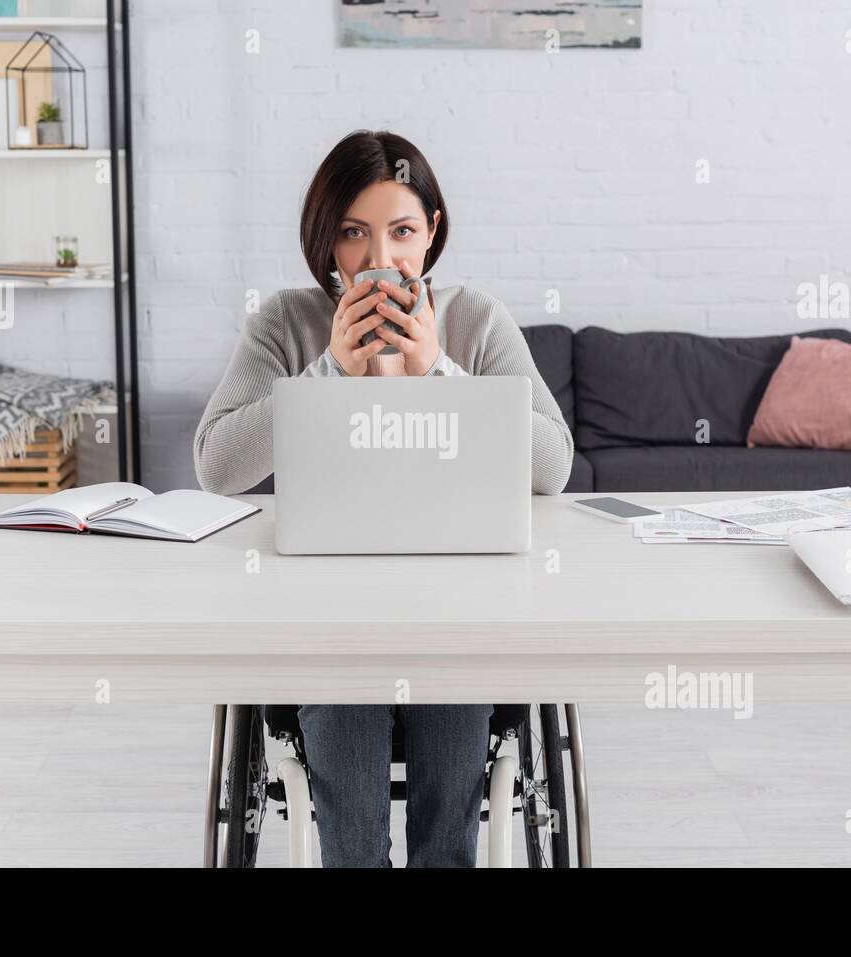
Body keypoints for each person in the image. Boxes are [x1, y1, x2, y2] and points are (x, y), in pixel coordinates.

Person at [194, 129, 573, 866]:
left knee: (452, 719)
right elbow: (216, 463)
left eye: (401, 232)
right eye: (353, 235)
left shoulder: (477, 321)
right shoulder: (287, 322)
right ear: (326, 243)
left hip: (454, 612)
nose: (379, 262)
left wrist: (440, 371)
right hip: (330, 616)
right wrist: (331, 367)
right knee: (350, 755)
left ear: (431, 233)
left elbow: (554, 464)